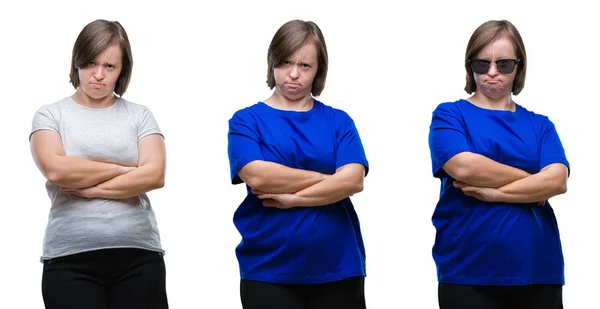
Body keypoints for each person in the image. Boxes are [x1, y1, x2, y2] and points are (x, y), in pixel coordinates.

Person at [227, 19, 369, 309]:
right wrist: (329, 179)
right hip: (268, 269)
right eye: (285, 63)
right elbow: (259, 177)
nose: (293, 74)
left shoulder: (338, 121)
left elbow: (354, 181)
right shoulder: (246, 121)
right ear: (272, 63)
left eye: (305, 66)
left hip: (338, 266)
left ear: (319, 70)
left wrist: (293, 199)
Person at [428, 19, 569, 309]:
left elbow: (557, 181)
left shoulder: (541, 125)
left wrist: (497, 193)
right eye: (482, 64)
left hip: (538, 270)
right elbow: (465, 168)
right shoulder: (450, 115)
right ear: (470, 66)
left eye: (504, 64)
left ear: (518, 67)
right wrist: (533, 183)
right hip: (468, 271)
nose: (492, 73)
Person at [29, 19, 168, 309]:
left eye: (110, 67)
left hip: (138, 256)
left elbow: (154, 175)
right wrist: (126, 170)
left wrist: (91, 189)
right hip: (69, 260)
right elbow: (56, 170)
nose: (98, 75)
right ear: (76, 63)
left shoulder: (140, 115)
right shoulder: (50, 115)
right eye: (90, 63)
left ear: (122, 70)